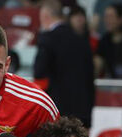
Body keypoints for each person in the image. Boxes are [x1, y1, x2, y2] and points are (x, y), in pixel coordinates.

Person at [34, 0, 94, 128]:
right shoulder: (82, 41)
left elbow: (39, 73)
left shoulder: (47, 39)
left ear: (45, 16)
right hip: (82, 112)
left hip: (56, 111)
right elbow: (90, 79)